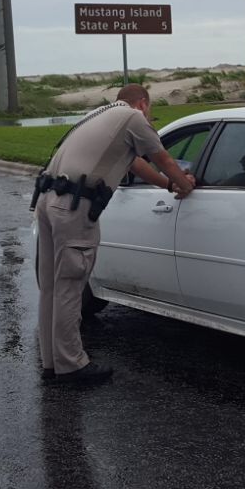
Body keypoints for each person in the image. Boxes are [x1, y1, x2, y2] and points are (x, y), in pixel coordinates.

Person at [35, 84, 193, 385]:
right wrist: (183, 185)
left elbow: (134, 163)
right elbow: (164, 159)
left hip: (47, 199)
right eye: (152, 110)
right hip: (73, 206)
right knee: (70, 285)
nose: (150, 116)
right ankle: (71, 365)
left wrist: (165, 185)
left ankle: (52, 363)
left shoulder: (100, 114)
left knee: (52, 287)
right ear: (143, 103)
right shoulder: (134, 119)